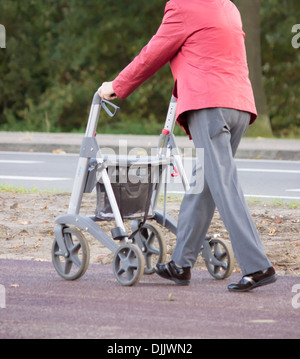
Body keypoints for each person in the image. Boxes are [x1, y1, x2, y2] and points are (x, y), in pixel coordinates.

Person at [98, 0, 277, 292]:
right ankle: (181, 264)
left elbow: (152, 54)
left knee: (223, 184)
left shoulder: (183, 7)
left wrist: (116, 86)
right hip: (240, 106)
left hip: (210, 105)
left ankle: (258, 265)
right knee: (203, 184)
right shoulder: (228, 7)